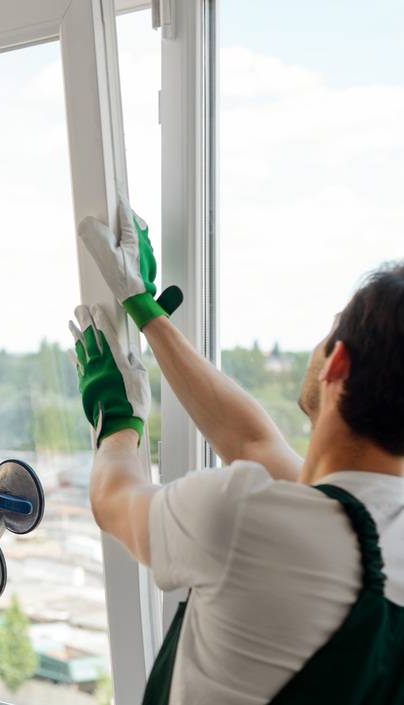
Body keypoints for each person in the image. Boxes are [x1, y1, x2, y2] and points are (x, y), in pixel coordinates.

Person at [71, 198, 404, 704]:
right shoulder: (369, 524)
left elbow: (112, 500)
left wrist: (117, 420)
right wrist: (145, 310)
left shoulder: (247, 520)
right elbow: (251, 442)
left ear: (337, 363)